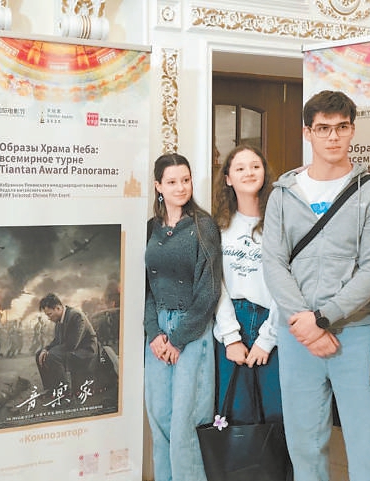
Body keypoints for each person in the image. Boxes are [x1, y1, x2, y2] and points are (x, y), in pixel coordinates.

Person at [261, 90, 370, 481]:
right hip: (297, 334)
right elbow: (273, 262)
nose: (333, 136)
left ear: (352, 130)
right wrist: (304, 321)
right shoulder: (283, 194)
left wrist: (323, 318)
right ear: (308, 133)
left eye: (341, 127)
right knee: (304, 445)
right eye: (323, 128)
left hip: (354, 332)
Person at [144, 153, 222, 481]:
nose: (181, 187)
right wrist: (154, 333)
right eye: (172, 181)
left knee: (185, 424)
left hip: (192, 330)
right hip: (158, 331)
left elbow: (209, 291)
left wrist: (177, 340)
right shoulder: (151, 228)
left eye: (186, 180)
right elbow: (147, 287)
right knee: (160, 417)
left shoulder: (204, 227)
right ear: (158, 186)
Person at [212, 145, 284, 426]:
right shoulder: (218, 226)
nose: (249, 172)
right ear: (228, 178)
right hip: (232, 321)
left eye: (255, 166)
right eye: (240, 168)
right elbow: (215, 284)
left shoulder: (280, 222)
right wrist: (231, 337)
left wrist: (267, 339)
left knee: (277, 414)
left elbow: (286, 283)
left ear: (265, 173)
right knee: (235, 415)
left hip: (273, 322)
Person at [35, 293, 98, 393]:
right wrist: (45, 349)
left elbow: (72, 344)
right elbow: (57, 341)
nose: (49, 318)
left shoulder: (76, 315)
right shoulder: (59, 320)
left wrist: (49, 352)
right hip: (74, 348)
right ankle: (50, 388)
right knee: (39, 354)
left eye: (49, 314)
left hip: (85, 351)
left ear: (58, 308)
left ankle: (64, 391)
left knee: (52, 355)